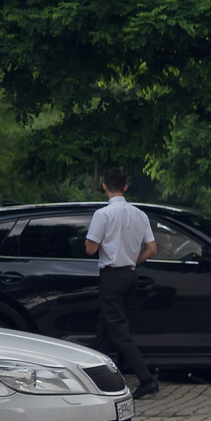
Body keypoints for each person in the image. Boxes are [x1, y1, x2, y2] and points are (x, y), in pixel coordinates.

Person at [82, 169, 159, 396]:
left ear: (104, 186)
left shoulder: (103, 215)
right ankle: (93, 378)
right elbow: (152, 249)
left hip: (111, 277)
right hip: (130, 276)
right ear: (125, 187)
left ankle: (146, 380)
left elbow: (90, 248)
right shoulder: (140, 215)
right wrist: (132, 258)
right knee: (105, 330)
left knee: (118, 332)